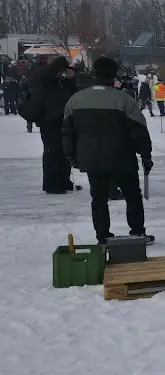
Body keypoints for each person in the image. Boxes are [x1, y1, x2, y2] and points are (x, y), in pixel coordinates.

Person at [62, 56, 154, 244]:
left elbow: (67, 132)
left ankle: (103, 235)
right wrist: (145, 155)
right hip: (122, 158)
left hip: (91, 159)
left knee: (99, 198)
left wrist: (72, 156)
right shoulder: (124, 100)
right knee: (132, 196)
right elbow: (139, 132)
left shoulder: (75, 100)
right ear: (113, 75)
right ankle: (137, 231)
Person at [20, 56, 80, 194]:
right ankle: (52, 183)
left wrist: (69, 79)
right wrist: (64, 78)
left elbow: (72, 93)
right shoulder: (44, 74)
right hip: (50, 119)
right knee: (53, 151)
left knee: (62, 150)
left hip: (59, 117)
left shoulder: (56, 78)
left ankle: (63, 180)